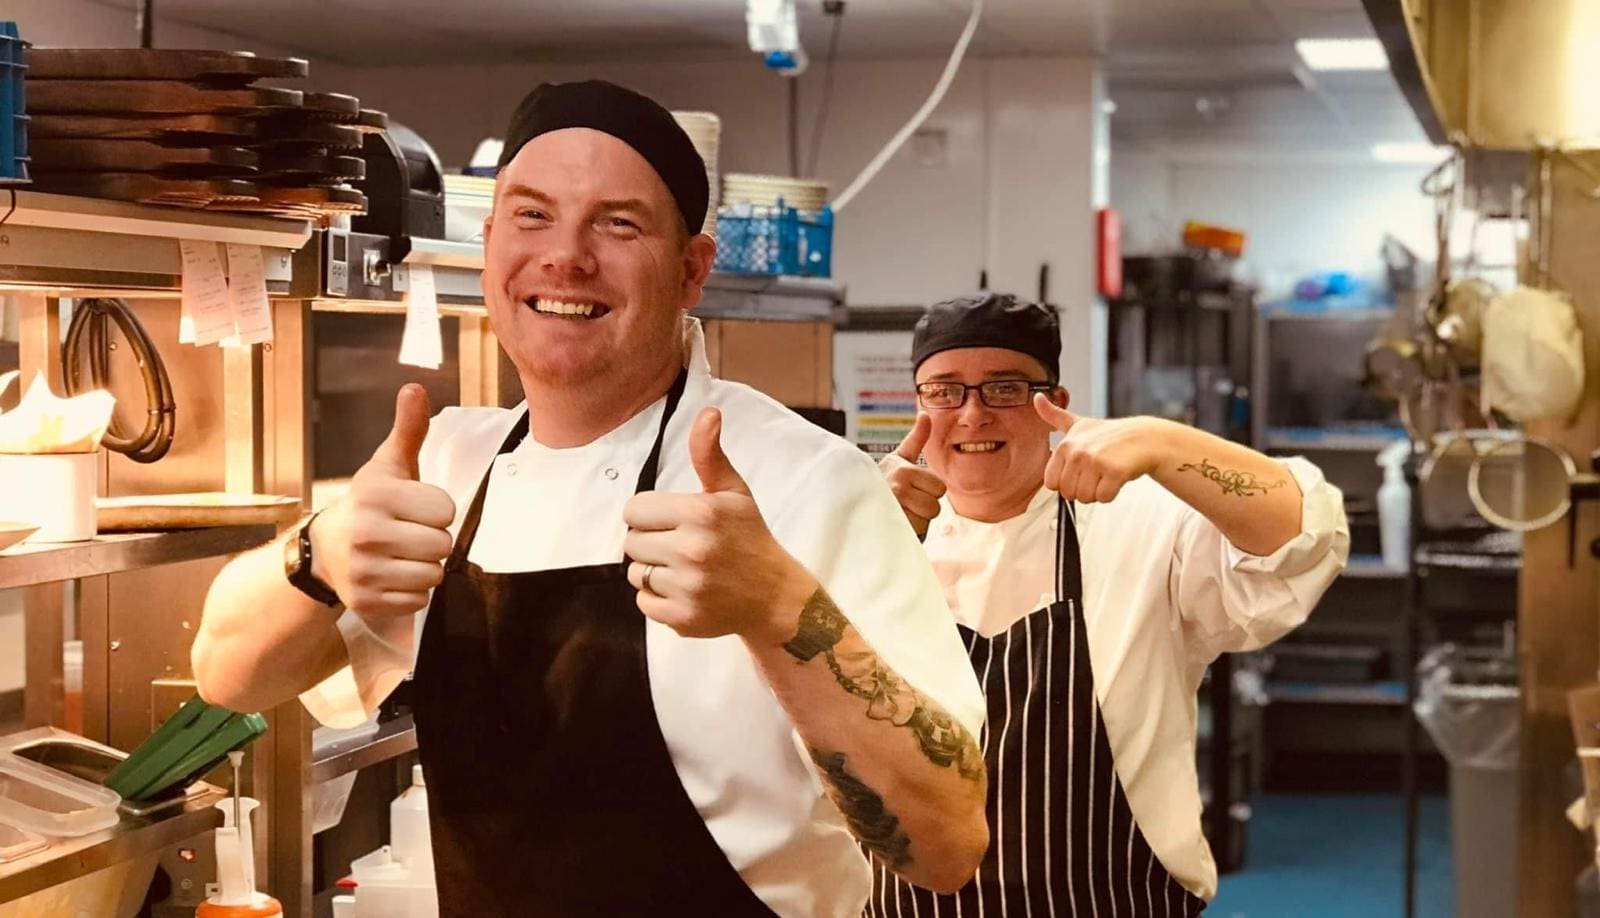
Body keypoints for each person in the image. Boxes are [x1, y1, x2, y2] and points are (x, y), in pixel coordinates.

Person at [192, 80, 988, 917]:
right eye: (532, 216)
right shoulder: (446, 464)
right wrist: (317, 555)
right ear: (490, 243)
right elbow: (227, 678)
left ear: (691, 270)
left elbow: (946, 845)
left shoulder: (808, 483)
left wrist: (781, 612)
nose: (566, 256)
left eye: (618, 224)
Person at [873, 291, 1349, 914]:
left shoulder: (1142, 524)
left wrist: (1163, 442)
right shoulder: (877, 535)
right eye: (944, 391)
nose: (972, 414)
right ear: (918, 405)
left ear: (1055, 404)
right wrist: (857, 536)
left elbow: (1300, 540)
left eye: (1005, 388)